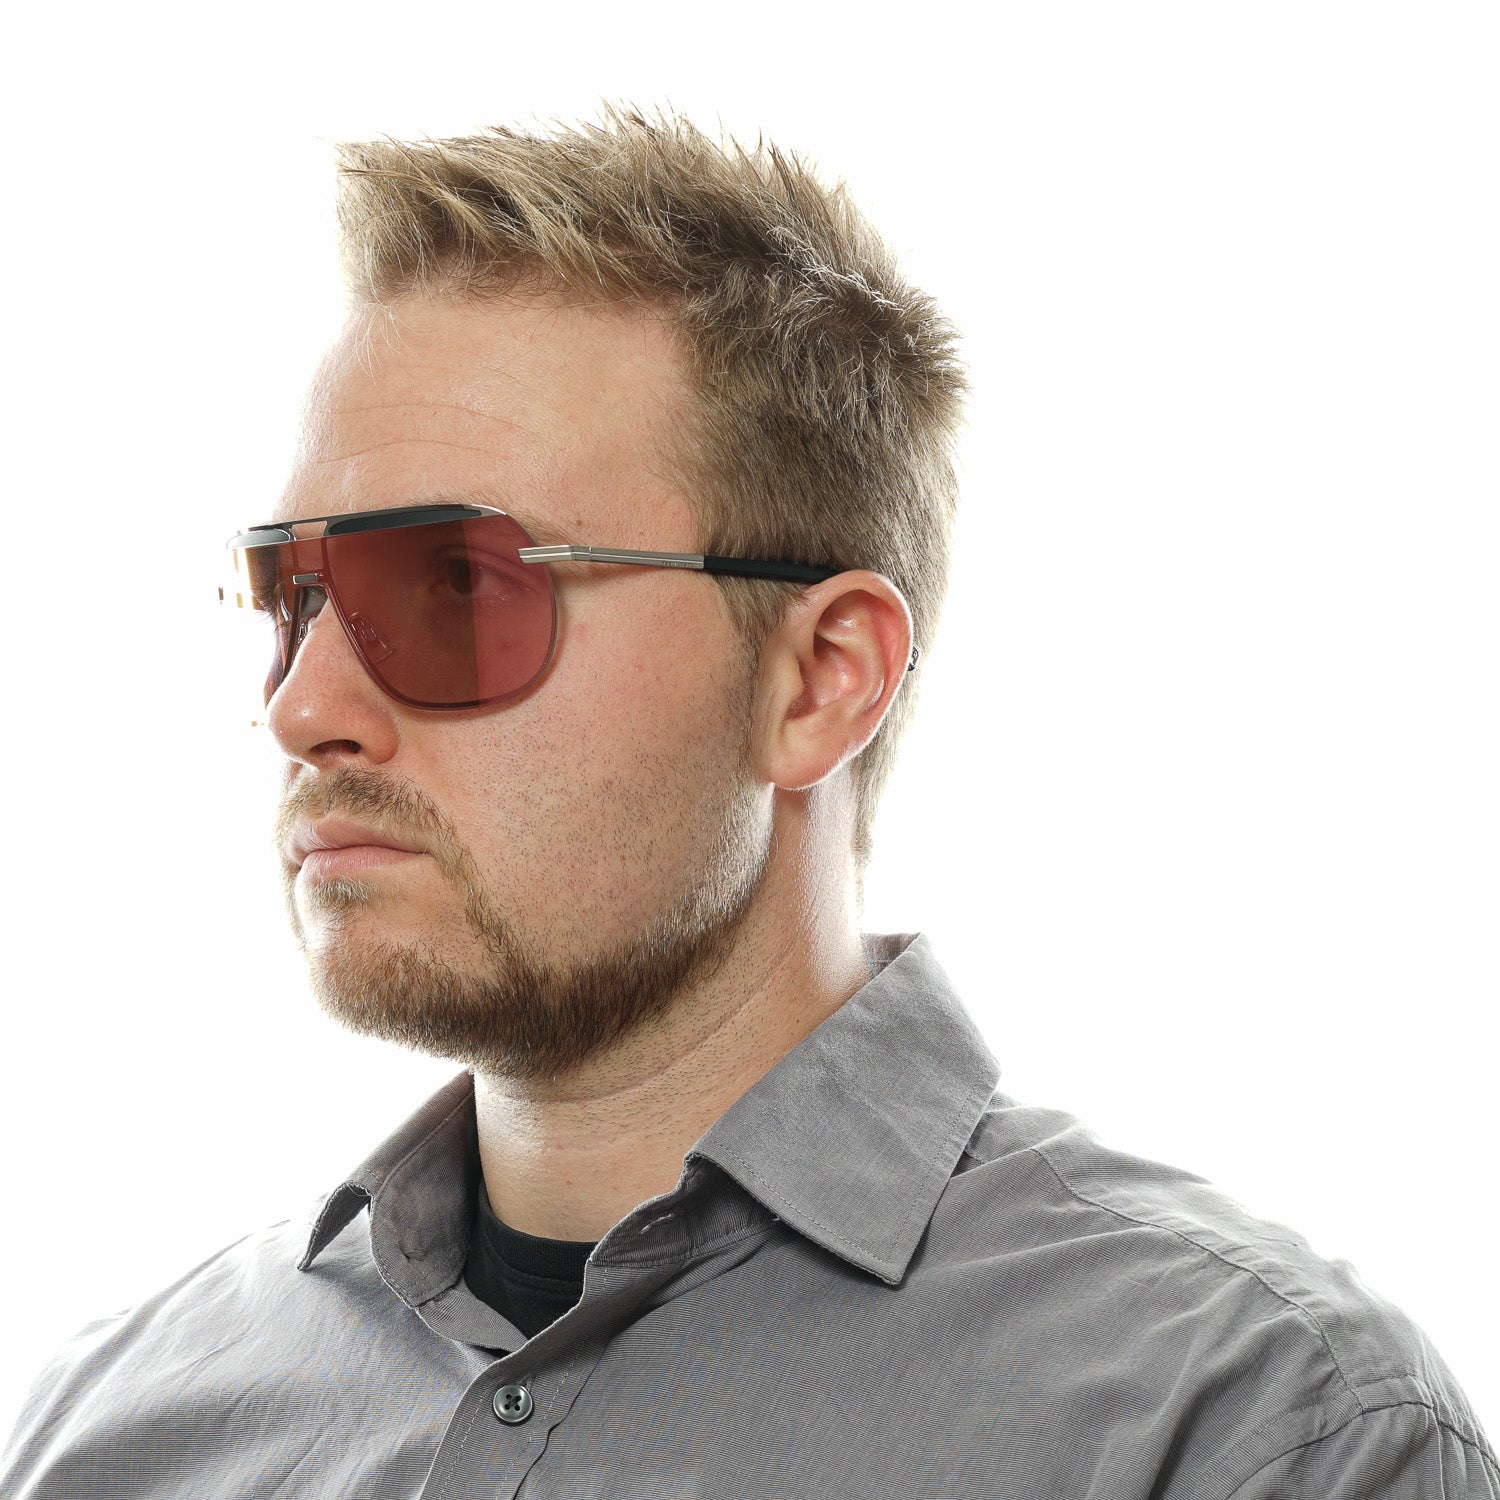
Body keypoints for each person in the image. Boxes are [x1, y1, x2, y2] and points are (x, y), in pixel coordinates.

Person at [3, 108, 1494, 1500]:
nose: (301, 708)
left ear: (819, 680)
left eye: (454, 585)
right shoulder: (104, 1436)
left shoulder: (1251, 1431)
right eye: (292, 597)